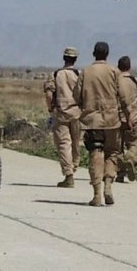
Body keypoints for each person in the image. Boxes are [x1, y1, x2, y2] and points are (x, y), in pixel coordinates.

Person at [73, 41, 127, 206]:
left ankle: (97, 194)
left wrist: (85, 106)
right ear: (107, 54)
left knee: (96, 153)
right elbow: (124, 96)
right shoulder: (114, 72)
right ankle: (108, 186)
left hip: (93, 121)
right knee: (112, 153)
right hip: (112, 121)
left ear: (94, 53)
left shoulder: (86, 72)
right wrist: (128, 116)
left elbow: (76, 95)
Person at [43, 47, 82, 188]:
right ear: (75, 59)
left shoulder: (55, 74)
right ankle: (74, 166)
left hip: (60, 113)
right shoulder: (80, 75)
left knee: (64, 144)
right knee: (76, 143)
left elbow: (49, 94)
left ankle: (69, 174)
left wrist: (50, 109)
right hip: (77, 113)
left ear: (64, 58)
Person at [116, 55, 137, 183]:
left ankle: (119, 173)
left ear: (118, 67)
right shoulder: (136, 82)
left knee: (117, 148)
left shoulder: (113, 81)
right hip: (133, 119)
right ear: (129, 67)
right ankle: (130, 158)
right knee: (134, 143)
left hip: (116, 120)